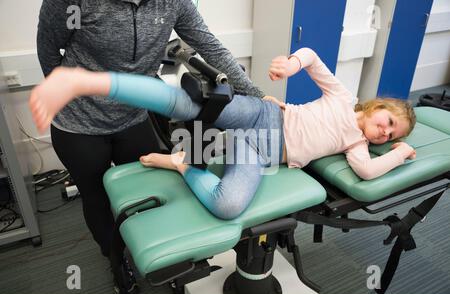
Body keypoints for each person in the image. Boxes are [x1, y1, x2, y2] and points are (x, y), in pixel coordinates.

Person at [29, 47, 417, 222]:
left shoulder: (357, 146)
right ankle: (87, 81)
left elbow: (367, 172)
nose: (385, 131)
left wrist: (401, 152)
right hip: (263, 117)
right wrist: (293, 64)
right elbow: (312, 56)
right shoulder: (343, 97)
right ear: (374, 106)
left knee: (228, 206)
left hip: (257, 154)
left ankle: (183, 164)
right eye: (387, 120)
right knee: (186, 105)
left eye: (390, 133)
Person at [36, 0, 265, 294]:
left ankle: (156, 253)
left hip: (134, 116)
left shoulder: (173, 3)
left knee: (149, 192)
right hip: (79, 123)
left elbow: (211, 47)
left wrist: (257, 97)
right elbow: (47, 50)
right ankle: (117, 260)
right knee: (96, 198)